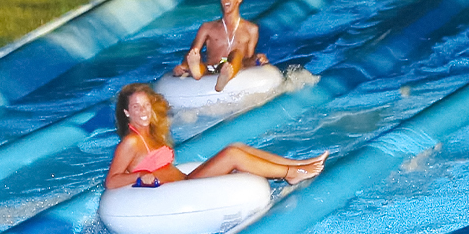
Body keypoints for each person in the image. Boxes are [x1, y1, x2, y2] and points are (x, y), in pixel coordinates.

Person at [104, 83, 327, 190]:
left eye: (145, 105)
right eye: (136, 107)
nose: (143, 111)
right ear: (127, 113)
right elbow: (112, 180)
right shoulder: (130, 142)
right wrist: (140, 176)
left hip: (184, 181)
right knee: (232, 154)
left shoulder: (149, 134)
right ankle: (290, 174)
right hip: (180, 190)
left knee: (238, 147)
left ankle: (299, 164)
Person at [173, 0, 269, 92]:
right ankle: (197, 73)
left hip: (234, 68)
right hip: (210, 69)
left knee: (237, 54)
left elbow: (248, 59)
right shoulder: (207, 28)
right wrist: (184, 66)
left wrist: (257, 58)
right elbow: (193, 52)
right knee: (201, 64)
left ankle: (225, 77)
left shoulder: (251, 30)